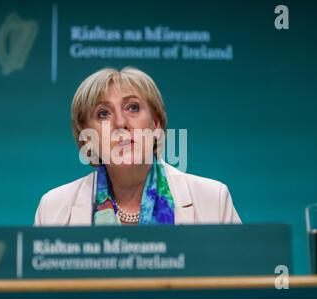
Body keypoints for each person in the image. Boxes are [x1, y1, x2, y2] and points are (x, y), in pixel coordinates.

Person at [35, 67, 241, 226]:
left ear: (156, 124)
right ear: (87, 138)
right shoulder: (53, 209)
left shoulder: (214, 200)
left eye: (133, 108)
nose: (120, 123)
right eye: (103, 113)